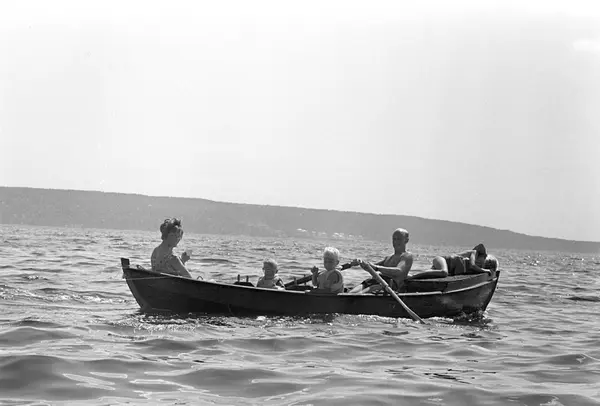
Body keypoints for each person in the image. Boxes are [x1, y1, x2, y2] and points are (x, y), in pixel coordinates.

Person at [349, 228, 413, 294]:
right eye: (394, 239)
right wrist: (361, 263)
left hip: (389, 286)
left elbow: (399, 271)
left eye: (399, 239)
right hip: (376, 281)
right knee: (351, 293)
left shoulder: (407, 256)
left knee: (359, 294)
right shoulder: (389, 257)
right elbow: (370, 268)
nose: (396, 242)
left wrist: (377, 268)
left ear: (406, 240)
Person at [410, 243, 499, 280]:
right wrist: (484, 270)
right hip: (441, 260)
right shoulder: (474, 253)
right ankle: (412, 277)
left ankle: (409, 276)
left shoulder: (472, 270)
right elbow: (472, 265)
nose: (482, 265)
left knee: (431, 276)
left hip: (444, 268)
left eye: (485, 265)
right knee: (444, 272)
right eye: (486, 261)